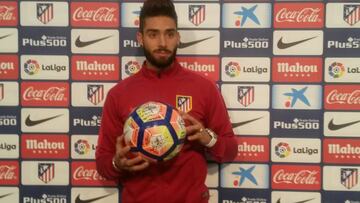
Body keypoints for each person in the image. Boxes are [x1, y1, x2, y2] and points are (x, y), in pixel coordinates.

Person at [95, 0, 237, 202]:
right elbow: (103, 164)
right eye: (153, 34)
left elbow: (230, 149)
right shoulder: (118, 94)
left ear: (178, 38)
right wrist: (117, 164)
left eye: (169, 34)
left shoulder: (203, 88)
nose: (162, 42)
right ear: (140, 38)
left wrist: (209, 138)